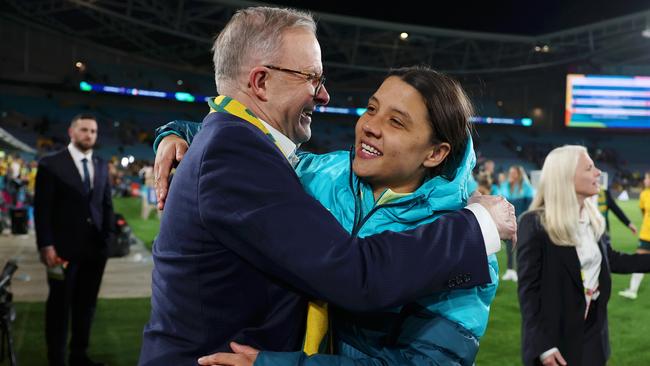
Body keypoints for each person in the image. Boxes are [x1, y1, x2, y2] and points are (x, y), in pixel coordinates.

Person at [138, 7, 516, 366]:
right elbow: (355, 273)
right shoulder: (322, 174)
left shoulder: (467, 253)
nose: (324, 95)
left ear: (436, 153)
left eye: (397, 122)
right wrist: (175, 133)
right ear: (261, 82)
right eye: (371, 108)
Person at [517, 145, 650, 366]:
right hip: (555, 342)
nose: (598, 172)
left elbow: (613, 260)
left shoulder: (592, 218)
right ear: (566, 176)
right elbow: (528, 292)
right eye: (590, 168)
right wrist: (543, 346)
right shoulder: (534, 223)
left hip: (594, 337)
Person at [34, 113, 114, 366]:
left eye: (93, 131)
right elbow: (42, 209)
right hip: (62, 250)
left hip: (95, 250)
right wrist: (46, 244)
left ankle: (79, 356)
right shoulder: (50, 164)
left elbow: (106, 205)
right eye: (84, 130)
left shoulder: (101, 165)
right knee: (59, 308)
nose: (88, 135)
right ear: (71, 132)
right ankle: (56, 360)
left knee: (86, 307)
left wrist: (108, 239)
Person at [500, 165, 535, 282]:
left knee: (522, 246)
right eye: (510, 172)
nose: (511, 175)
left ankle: (521, 271)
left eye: (514, 172)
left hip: (521, 220)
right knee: (510, 246)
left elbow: (529, 205)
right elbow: (502, 201)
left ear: (519, 174)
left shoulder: (525, 186)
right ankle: (510, 270)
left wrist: (523, 219)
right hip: (509, 221)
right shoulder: (506, 186)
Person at [619, 171, 650, 299]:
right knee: (640, 261)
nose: (645, 180)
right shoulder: (644, 194)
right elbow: (644, 212)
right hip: (646, 234)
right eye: (646, 178)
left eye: (648, 178)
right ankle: (632, 290)